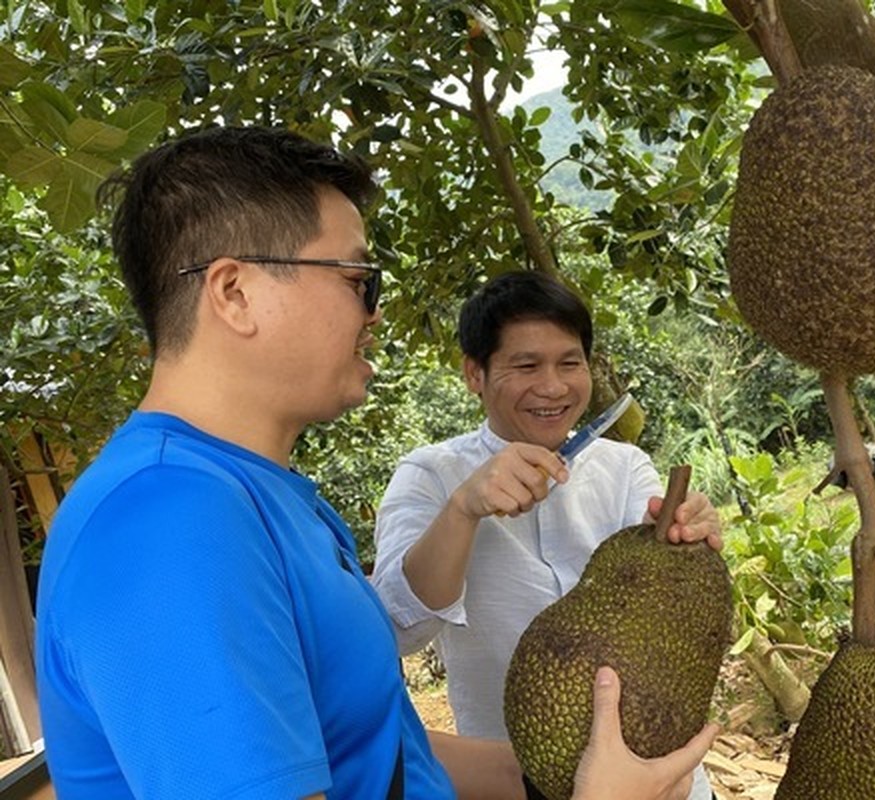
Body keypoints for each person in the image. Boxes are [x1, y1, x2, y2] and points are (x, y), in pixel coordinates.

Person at [33, 126, 717, 800]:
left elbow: (376, 749)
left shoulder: (271, 502)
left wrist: (545, 783)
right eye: (358, 278)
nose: (377, 312)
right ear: (235, 293)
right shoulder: (166, 524)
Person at [371, 271, 724, 800]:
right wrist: (464, 510)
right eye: (526, 365)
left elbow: (666, 589)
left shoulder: (625, 467)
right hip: (515, 783)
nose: (554, 387)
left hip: (668, 784)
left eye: (569, 362)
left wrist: (688, 527)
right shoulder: (430, 476)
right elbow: (398, 629)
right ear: (475, 373)